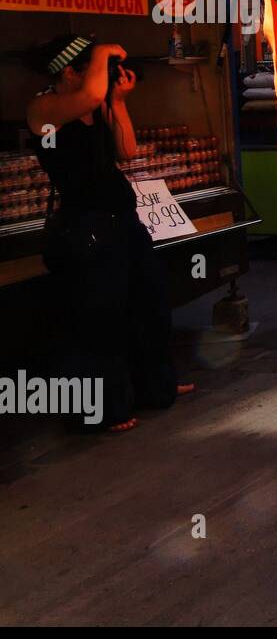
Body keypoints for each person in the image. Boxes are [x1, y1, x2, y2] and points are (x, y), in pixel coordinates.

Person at [26, 36, 189, 434]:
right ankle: (105, 407)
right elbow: (90, 92)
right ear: (69, 72)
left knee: (147, 305)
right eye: (94, 68)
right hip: (85, 228)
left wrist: (117, 102)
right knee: (99, 320)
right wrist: (104, 50)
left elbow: (127, 151)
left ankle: (154, 386)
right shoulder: (44, 108)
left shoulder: (96, 105)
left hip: (122, 221)